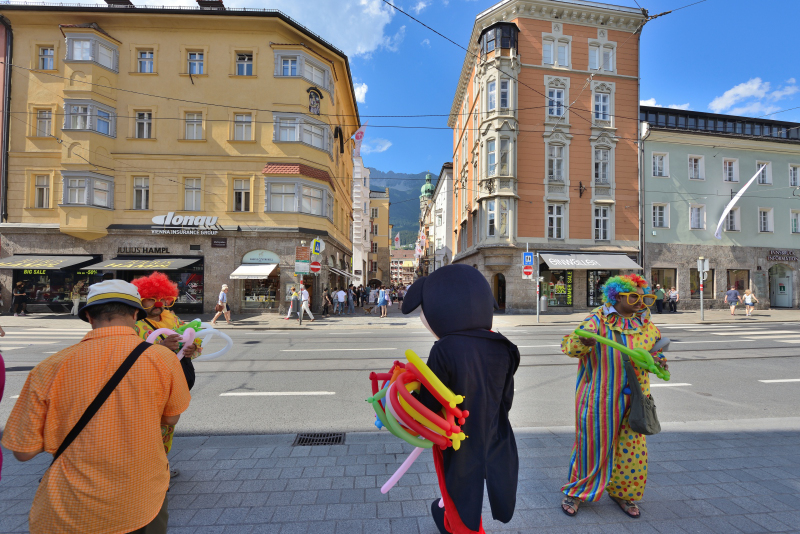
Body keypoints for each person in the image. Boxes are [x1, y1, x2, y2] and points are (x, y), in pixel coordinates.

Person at [1, 280, 190, 533]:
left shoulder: (48, 368)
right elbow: (171, 418)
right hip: (142, 498)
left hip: (69, 507)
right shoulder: (162, 358)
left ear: (89, 316)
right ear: (136, 314)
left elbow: (23, 452)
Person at [402, 264, 519, 534]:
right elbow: (506, 400)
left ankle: (459, 525)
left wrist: (405, 397)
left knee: (459, 492)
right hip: (494, 433)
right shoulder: (504, 346)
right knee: (480, 484)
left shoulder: (444, 348)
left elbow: (429, 404)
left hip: (455, 437)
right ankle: (446, 513)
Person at [559, 274, 667, 520]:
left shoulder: (645, 323)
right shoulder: (598, 319)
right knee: (592, 446)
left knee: (632, 449)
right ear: (616, 296)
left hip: (636, 398)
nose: (641, 302)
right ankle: (577, 492)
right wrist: (583, 342)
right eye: (634, 297)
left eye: (645, 298)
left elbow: (656, 350)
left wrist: (658, 362)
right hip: (600, 396)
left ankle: (623, 493)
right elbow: (569, 346)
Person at [131, 272, 201, 470]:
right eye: (151, 299)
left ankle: (160, 465)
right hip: (146, 385)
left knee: (168, 426)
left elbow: (193, 338)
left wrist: (192, 348)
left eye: (163, 299)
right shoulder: (133, 325)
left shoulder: (173, 319)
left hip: (172, 382)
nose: (158, 304)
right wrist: (161, 346)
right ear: (140, 300)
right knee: (146, 426)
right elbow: (129, 356)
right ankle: (146, 467)